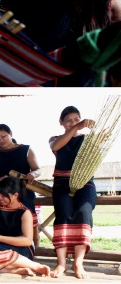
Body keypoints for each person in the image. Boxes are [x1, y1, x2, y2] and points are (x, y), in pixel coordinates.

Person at [49, 106, 96, 279]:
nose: (73, 122)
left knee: (84, 213)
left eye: (77, 119)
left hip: (85, 183)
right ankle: (61, 263)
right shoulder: (55, 139)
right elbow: (57, 146)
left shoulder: (88, 140)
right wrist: (76, 127)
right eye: (69, 120)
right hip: (62, 183)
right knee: (63, 214)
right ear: (61, 122)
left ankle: (78, 262)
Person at [0, 177, 50, 276]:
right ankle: (15, 270)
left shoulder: (25, 213)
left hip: (22, 249)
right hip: (0, 247)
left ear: (15, 195)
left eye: (4, 195)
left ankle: (35, 266)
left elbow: (26, 240)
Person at [0, 124, 42, 246]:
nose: (1, 140)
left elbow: (37, 169)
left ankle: (33, 243)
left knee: (27, 208)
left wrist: (33, 174)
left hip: (22, 187)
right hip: (1, 188)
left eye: (3, 136)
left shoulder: (25, 149)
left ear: (11, 134)